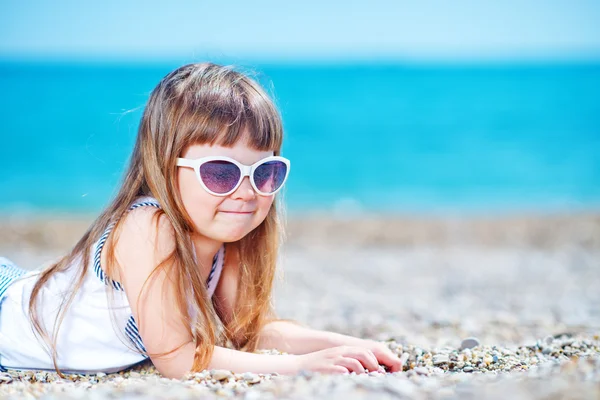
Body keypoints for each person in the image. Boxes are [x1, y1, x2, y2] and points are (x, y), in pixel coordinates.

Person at [0, 62, 402, 379]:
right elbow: (176, 359)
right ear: (164, 167)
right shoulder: (148, 228)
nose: (247, 191)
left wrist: (346, 346)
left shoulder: (230, 240)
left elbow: (248, 333)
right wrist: (298, 367)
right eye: (221, 172)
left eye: (266, 173)